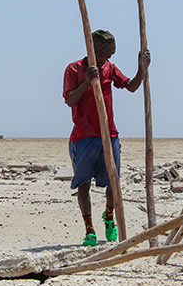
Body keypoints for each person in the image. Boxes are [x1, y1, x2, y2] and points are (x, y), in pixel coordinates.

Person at [63, 29, 150, 247]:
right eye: (102, 56)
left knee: (113, 180)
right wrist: (87, 82)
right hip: (82, 137)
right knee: (83, 184)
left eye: (109, 56)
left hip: (108, 135)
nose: (106, 60)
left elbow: (130, 86)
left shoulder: (109, 68)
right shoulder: (74, 69)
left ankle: (109, 216)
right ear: (92, 49)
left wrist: (142, 68)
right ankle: (89, 229)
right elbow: (70, 101)